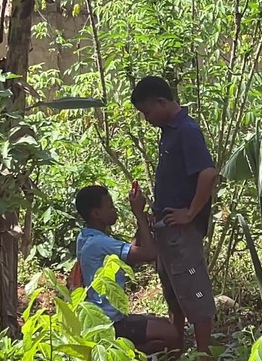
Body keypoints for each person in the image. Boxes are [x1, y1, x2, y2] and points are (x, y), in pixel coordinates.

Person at [130, 76, 218, 358]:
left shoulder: (187, 131)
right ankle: (177, 348)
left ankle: (203, 352)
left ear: (161, 101)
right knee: (174, 292)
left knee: (194, 289)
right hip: (167, 229)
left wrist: (190, 212)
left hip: (183, 233)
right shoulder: (169, 131)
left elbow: (208, 173)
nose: (147, 118)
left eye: (147, 112)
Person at [75, 184, 181, 356]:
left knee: (162, 323)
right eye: (110, 207)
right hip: (111, 322)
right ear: (96, 214)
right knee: (172, 334)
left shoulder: (86, 237)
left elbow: (129, 254)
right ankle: (126, 351)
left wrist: (142, 226)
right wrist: (139, 213)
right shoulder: (99, 243)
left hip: (106, 318)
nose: (114, 210)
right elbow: (149, 253)